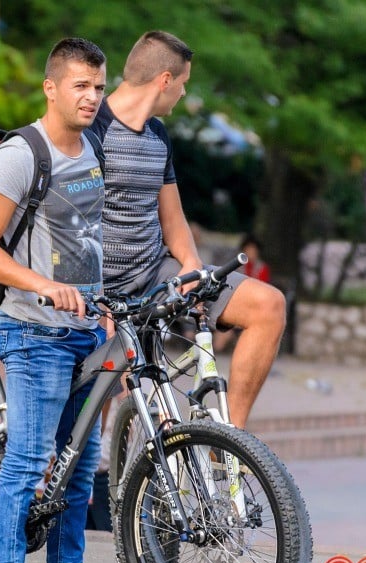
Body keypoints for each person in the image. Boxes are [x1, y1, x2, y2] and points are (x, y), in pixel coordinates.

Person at [0, 37, 118, 563]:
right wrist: (42, 286)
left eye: (98, 87)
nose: (91, 97)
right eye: (81, 85)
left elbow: (87, 239)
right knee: (29, 463)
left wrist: (103, 306)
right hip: (32, 332)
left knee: (80, 468)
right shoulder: (20, 154)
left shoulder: (93, 147)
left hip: (83, 331)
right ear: (51, 87)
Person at [89, 31, 286, 430]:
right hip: (100, 288)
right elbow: (71, 222)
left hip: (153, 275)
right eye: (182, 84)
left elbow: (173, 220)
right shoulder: (93, 127)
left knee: (269, 306)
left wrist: (192, 269)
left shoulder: (158, 135)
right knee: (94, 422)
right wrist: (92, 296)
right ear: (164, 80)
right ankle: (87, 488)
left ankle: (230, 440)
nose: (182, 95)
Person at [213, 233, 271, 352]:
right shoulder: (237, 267)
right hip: (237, 304)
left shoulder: (262, 268)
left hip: (254, 307)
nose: (251, 253)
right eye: (249, 250)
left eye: (254, 250)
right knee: (222, 336)